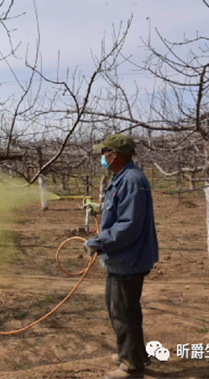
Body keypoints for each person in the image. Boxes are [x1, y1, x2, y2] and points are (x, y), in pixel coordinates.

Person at [83, 134, 159, 379]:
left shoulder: (132, 180)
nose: (102, 157)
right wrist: (99, 208)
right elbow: (120, 211)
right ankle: (133, 352)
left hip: (128, 259)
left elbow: (129, 225)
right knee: (119, 308)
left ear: (115, 154)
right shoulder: (123, 177)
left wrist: (97, 242)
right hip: (121, 258)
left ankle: (132, 367)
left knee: (124, 312)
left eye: (104, 153)